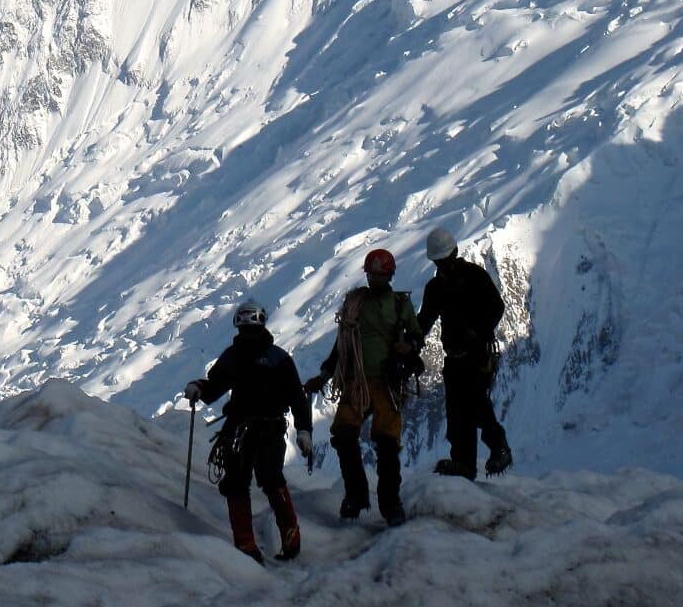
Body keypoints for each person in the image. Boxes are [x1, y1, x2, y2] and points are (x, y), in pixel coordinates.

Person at [184, 299, 311, 564]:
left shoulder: (237, 356)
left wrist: (199, 388)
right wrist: (303, 430)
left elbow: (214, 386)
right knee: (261, 480)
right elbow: (297, 398)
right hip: (258, 427)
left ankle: (247, 544)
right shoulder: (276, 358)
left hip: (249, 427)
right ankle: (283, 537)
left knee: (246, 482)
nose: (247, 334)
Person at [304, 248, 423, 527]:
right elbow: (341, 346)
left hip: (384, 383)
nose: (376, 280)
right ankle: (359, 496)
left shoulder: (397, 305)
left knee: (386, 444)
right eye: (373, 275)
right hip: (358, 382)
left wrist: (409, 347)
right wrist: (324, 374)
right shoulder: (358, 305)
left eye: (379, 275)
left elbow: (417, 336)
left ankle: (388, 502)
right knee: (346, 436)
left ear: (389, 275)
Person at [417, 227, 514, 479]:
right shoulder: (443, 285)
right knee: (458, 411)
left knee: (474, 404)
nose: (443, 264)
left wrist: (477, 332)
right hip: (458, 356)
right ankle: (465, 462)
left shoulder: (466, 278)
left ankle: (496, 448)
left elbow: (496, 306)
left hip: (475, 354)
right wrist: (410, 343)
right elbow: (424, 321)